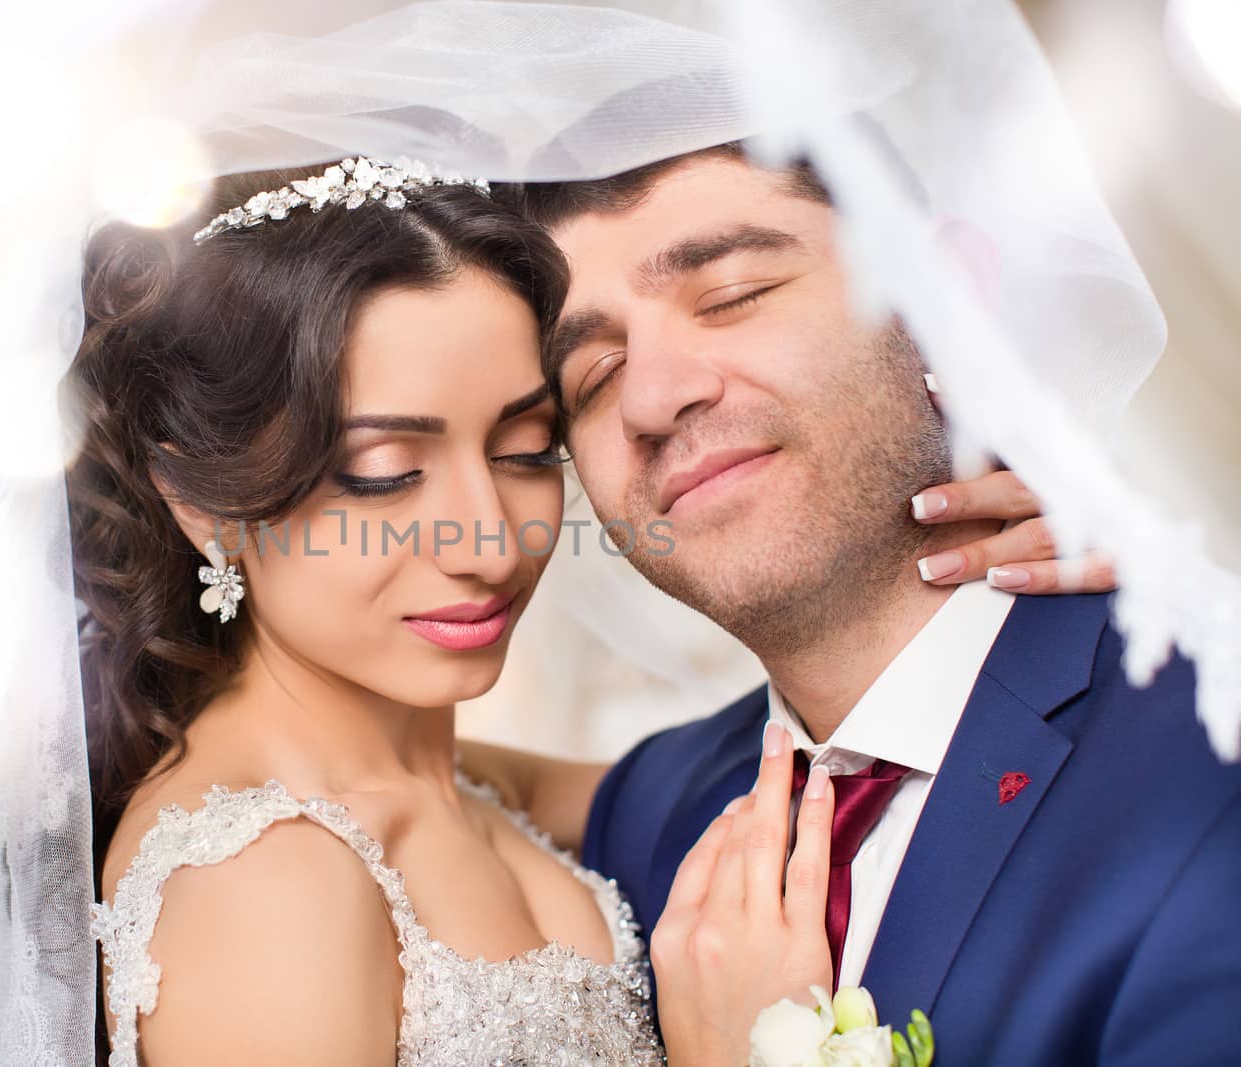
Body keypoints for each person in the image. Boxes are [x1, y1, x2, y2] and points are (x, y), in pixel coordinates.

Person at [68, 158, 1083, 1066]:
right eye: (382, 473)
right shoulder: (260, 883)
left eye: (525, 449)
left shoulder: (478, 792)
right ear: (203, 503)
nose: (489, 541)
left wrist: (1134, 564)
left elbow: (850, 749)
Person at [475, 143, 1241, 1066]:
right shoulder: (654, 811)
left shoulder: (1211, 752)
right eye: (590, 380)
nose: (649, 397)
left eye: (731, 296)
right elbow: (388, 777)